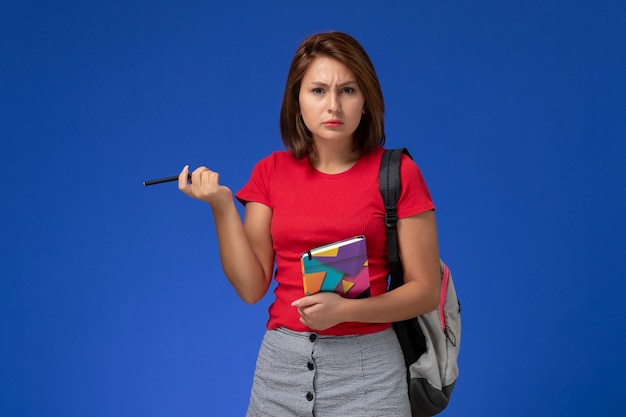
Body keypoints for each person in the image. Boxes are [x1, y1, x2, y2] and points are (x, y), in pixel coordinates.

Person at [178, 31, 440, 417]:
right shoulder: (270, 172)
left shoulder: (399, 173)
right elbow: (251, 288)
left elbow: (425, 292)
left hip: (369, 375)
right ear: (296, 101)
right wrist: (221, 207)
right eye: (318, 91)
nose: (333, 105)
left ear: (366, 100)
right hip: (280, 371)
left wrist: (344, 311)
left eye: (348, 90)